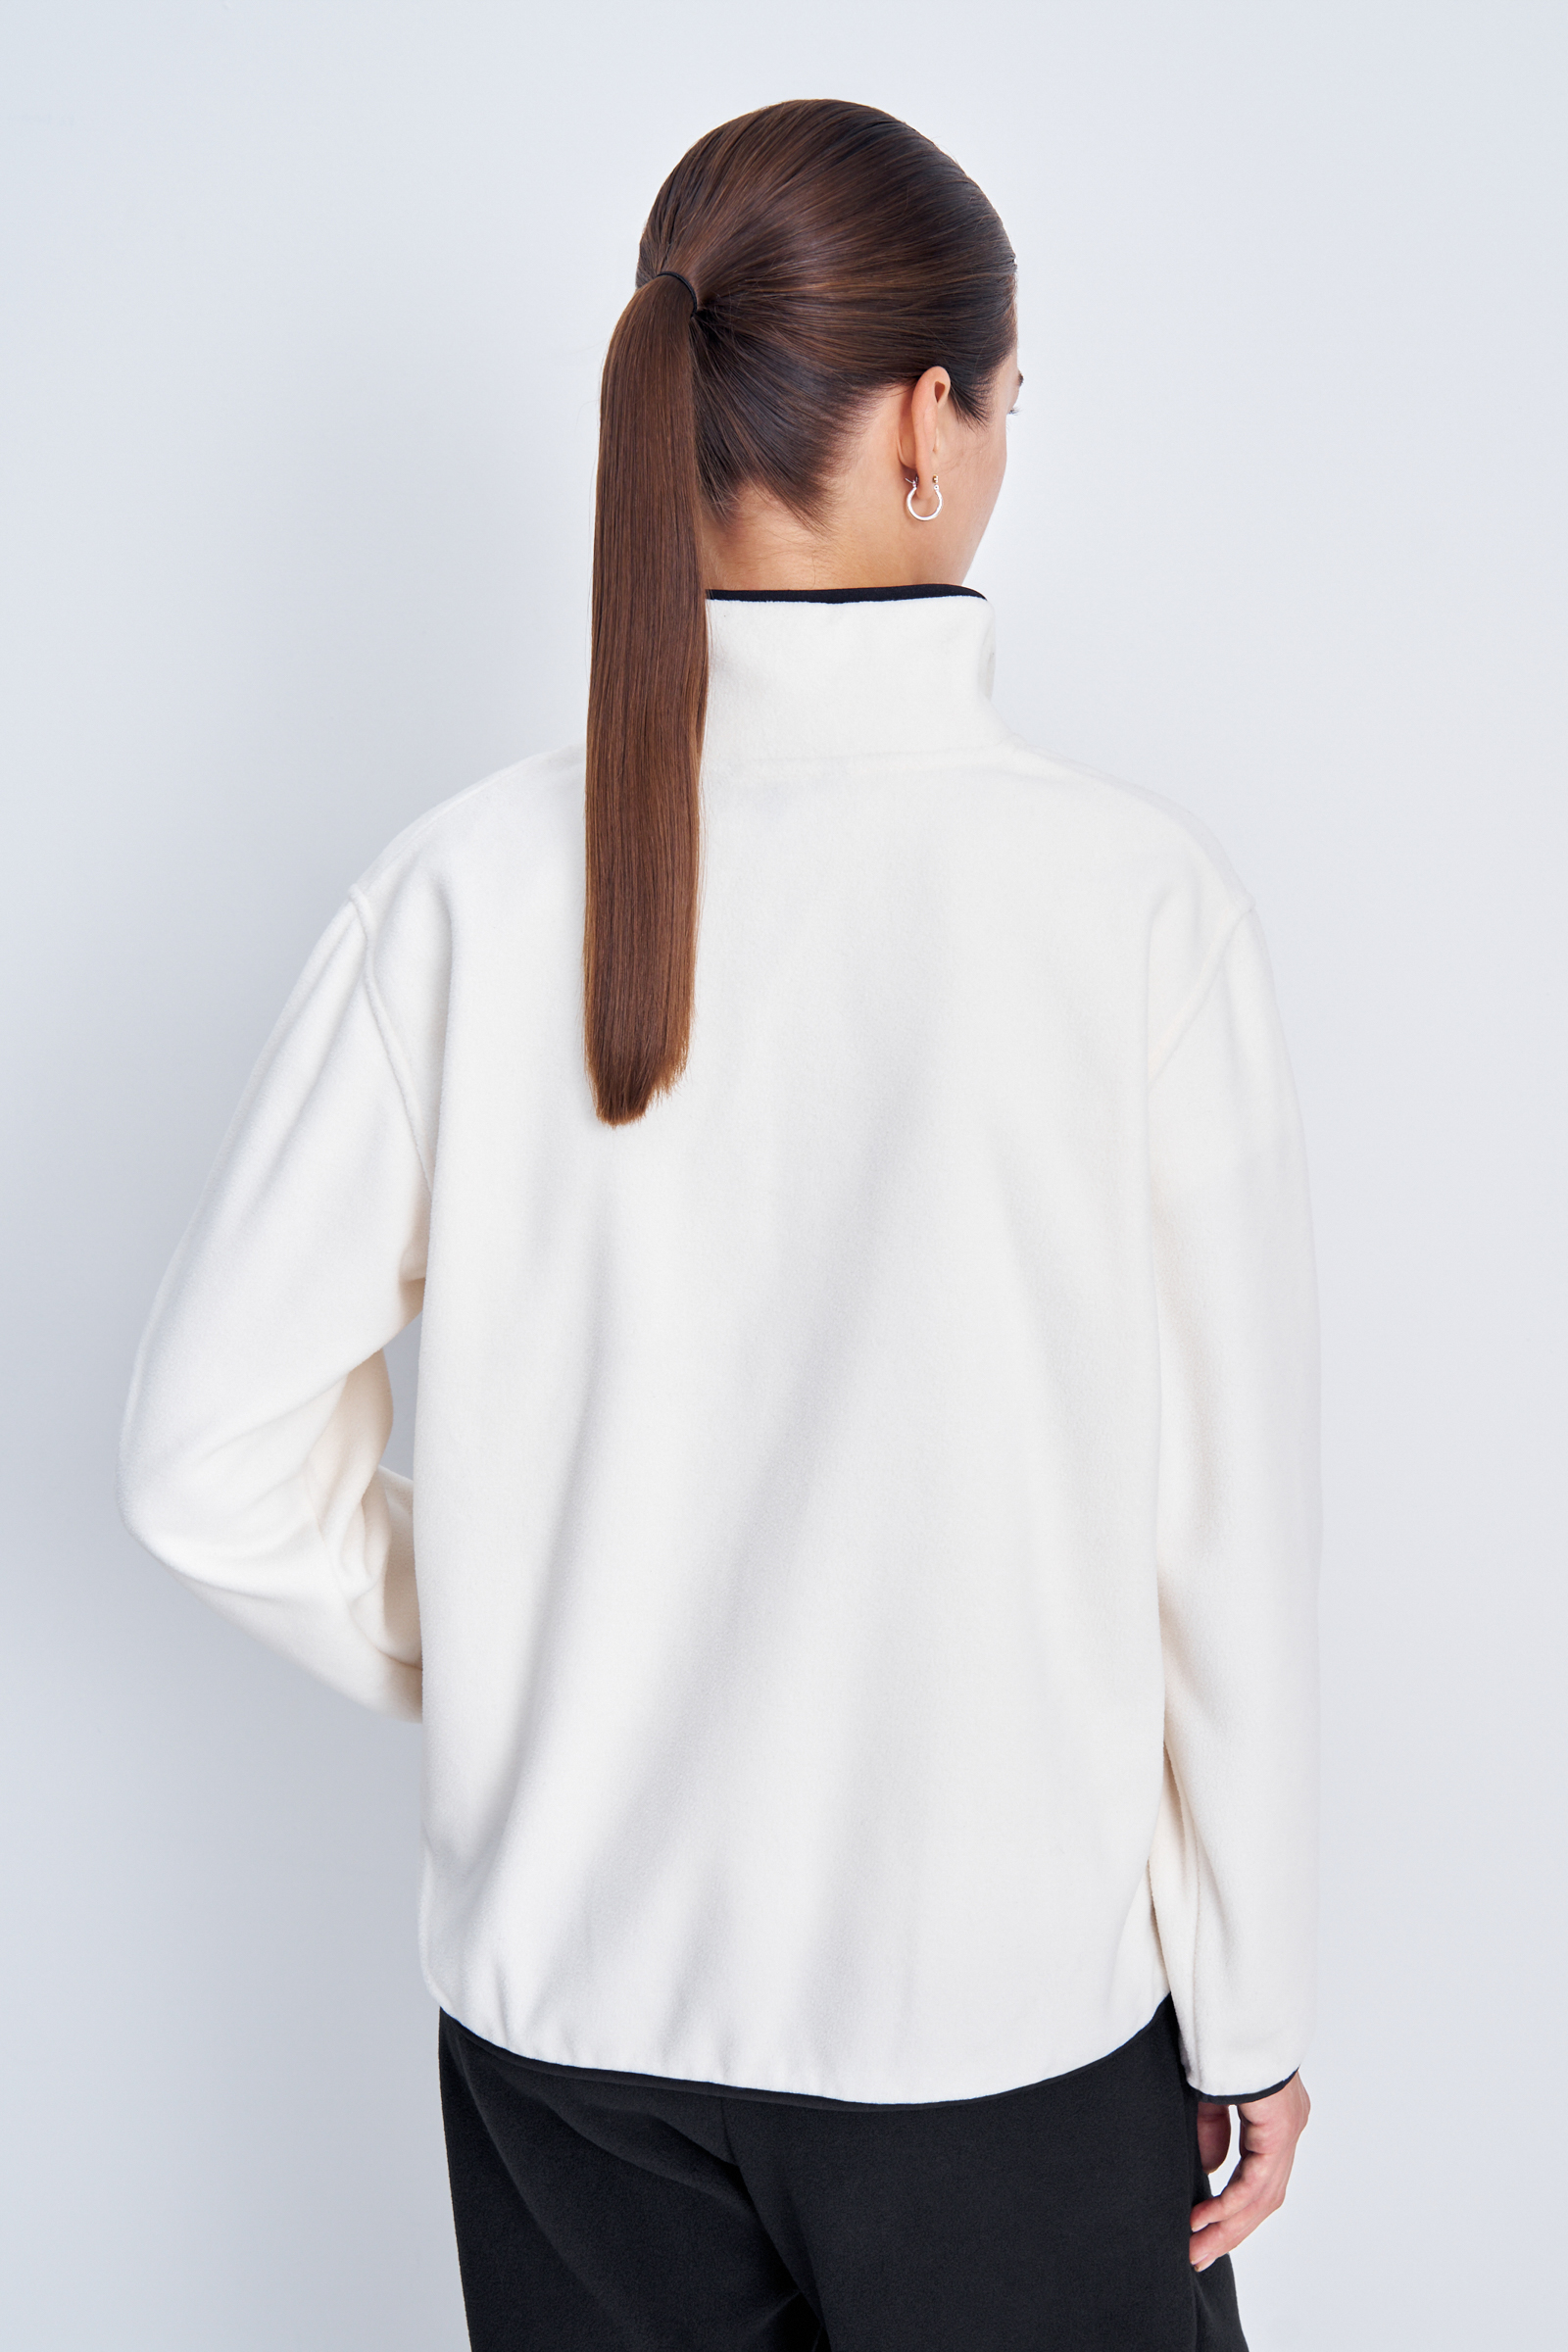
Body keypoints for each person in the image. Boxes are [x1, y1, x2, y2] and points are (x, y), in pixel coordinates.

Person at [119, 98, 1317, 2352]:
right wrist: (1244, 2008)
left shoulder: (457, 892)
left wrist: (532, 1648)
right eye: (1008, 399)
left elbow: (206, 1466)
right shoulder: (1130, 908)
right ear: (926, 425)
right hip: (997, 2037)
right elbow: (1219, 1541)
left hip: (569, 2048)